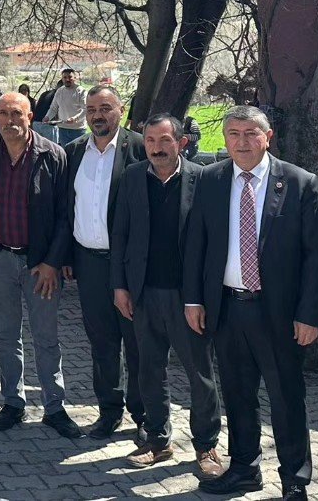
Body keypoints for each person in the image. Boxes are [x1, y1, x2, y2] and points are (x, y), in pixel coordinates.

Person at [183, 105, 318, 500]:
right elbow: (196, 243)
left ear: (268, 137)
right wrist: (193, 300)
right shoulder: (211, 179)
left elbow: (316, 256)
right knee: (237, 395)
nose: (242, 142)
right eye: (234, 134)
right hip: (227, 308)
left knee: (286, 398)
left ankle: (294, 479)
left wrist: (309, 313)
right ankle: (245, 469)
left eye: (251, 133)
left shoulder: (299, 182)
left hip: (278, 312)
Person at [110, 114, 221, 477]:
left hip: (187, 298)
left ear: (181, 142)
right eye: (150, 141)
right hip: (143, 293)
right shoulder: (132, 177)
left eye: (164, 140)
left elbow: (212, 243)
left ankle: (206, 446)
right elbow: (120, 234)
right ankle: (157, 440)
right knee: (148, 370)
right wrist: (120, 286)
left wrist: (200, 298)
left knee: (199, 374)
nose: (156, 148)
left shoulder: (203, 179)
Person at [0, 92, 82, 438]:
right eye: (3, 114)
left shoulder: (54, 155)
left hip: (40, 267)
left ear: (30, 116)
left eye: (17, 113)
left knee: (46, 337)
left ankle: (54, 407)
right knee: (6, 336)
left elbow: (66, 215)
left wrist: (53, 262)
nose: (10, 120)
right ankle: (13, 403)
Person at [57, 85, 146, 438]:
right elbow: (67, 209)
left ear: (120, 110)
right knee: (102, 342)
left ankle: (144, 415)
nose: (98, 115)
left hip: (130, 265)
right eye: (92, 109)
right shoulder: (74, 152)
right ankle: (109, 410)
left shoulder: (138, 148)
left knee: (137, 342)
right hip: (89, 262)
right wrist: (67, 256)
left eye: (105, 108)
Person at [43, 68, 86, 145]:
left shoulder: (81, 91)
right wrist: (47, 117)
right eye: (65, 77)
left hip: (78, 130)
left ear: (75, 78)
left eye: (70, 77)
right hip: (62, 129)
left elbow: (86, 109)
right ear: (62, 79)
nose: (67, 79)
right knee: (64, 151)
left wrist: (76, 118)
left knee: (78, 151)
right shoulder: (59, 91)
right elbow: (53, 108)